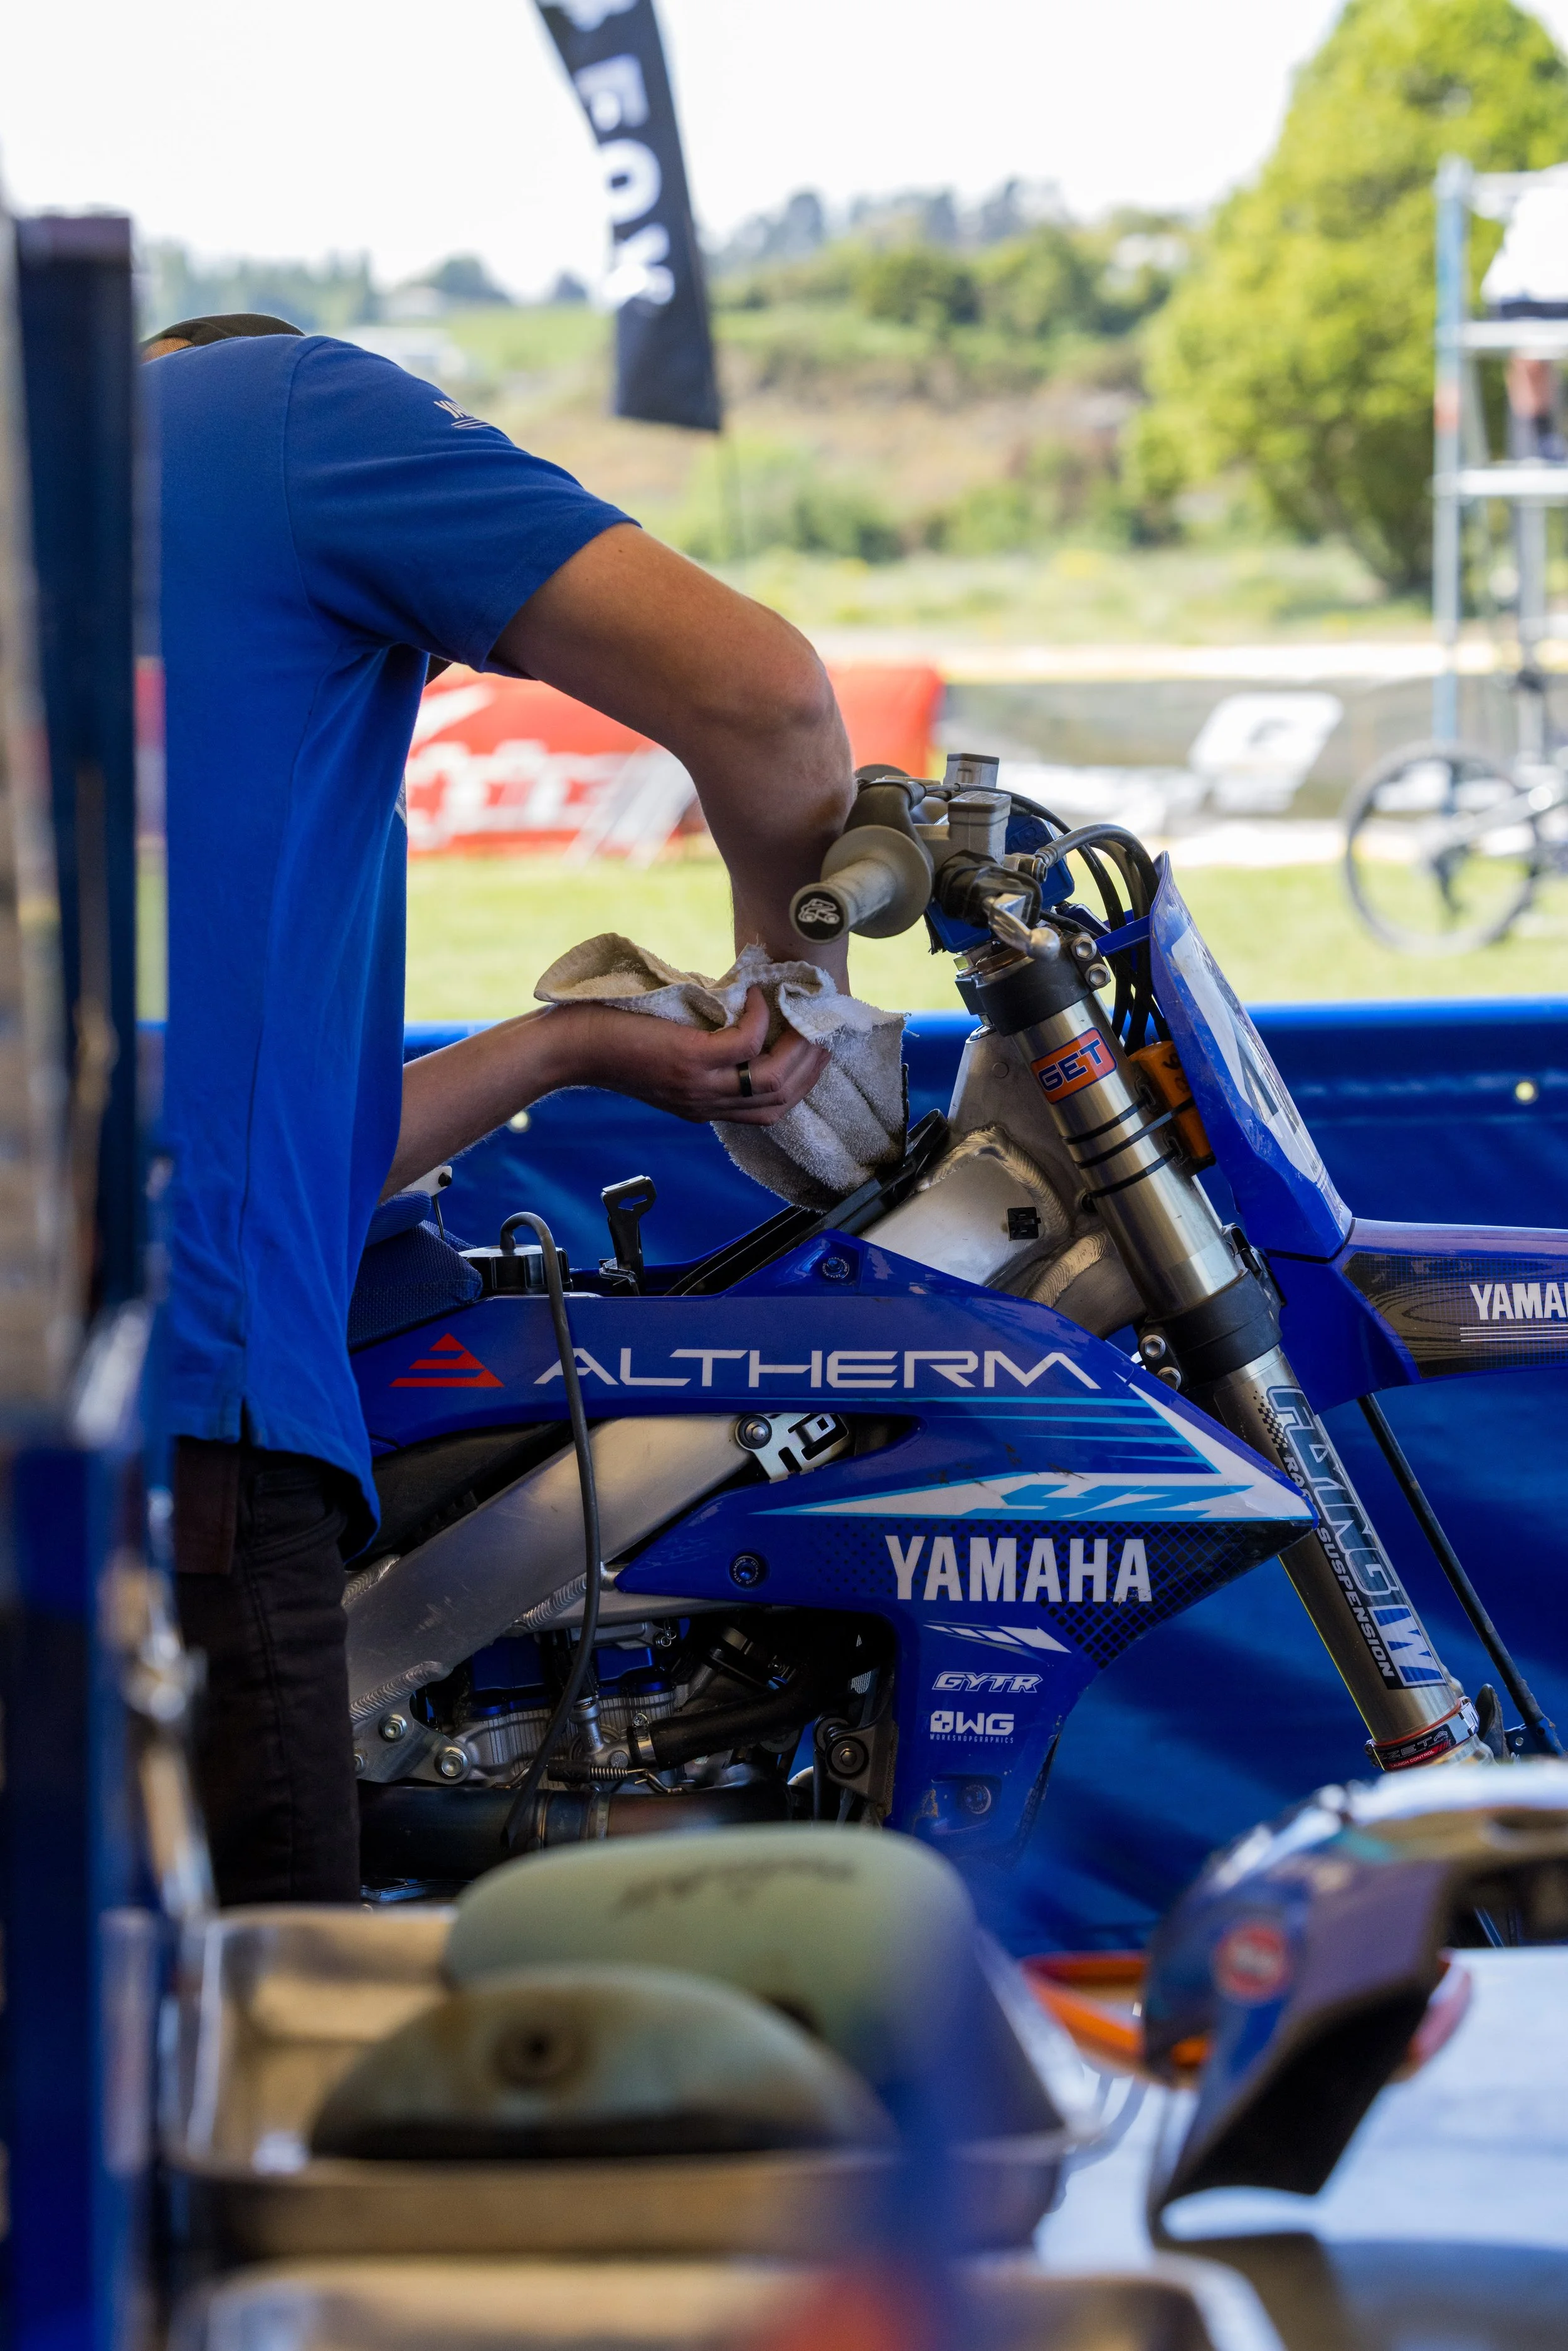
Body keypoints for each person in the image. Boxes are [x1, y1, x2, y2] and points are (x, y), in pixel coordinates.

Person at [146, 312, 852, 1906]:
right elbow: (766, 700)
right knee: (234, 2072)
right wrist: (807, 1010)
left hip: (107, 1361)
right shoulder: (283, 406)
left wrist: (568, 1047)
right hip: (169, 1429)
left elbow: (266, 1159)